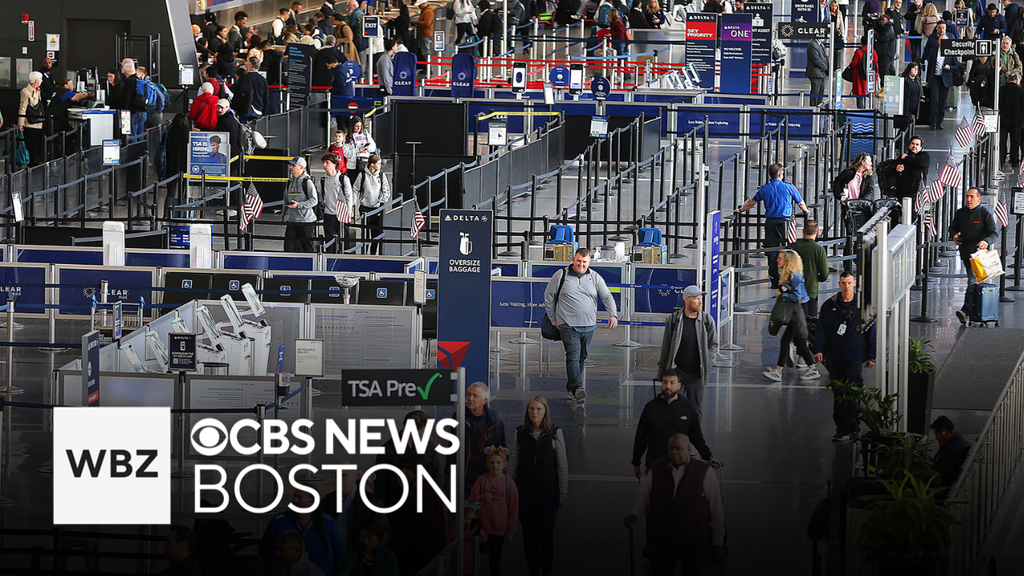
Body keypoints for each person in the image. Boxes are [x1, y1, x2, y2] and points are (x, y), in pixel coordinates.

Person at [623, 434, 727, 573]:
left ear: (689, 450)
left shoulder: (704, 472)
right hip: (663, 539)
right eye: (671, 448)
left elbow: (716, 509)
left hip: (694, 541)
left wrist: (718, 543)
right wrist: (634, 514)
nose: (674, 452)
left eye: (679, 448)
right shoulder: (657, 469)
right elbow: (645, 497)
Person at [544, 248, 619, 404]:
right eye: (579, 261)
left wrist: (613, 314)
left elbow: (606, 296)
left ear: (589, 262)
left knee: (582, 358)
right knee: (573, 356)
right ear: (573, 259)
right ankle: (577, 388)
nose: (581, 264)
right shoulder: (561, 275)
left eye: (584, 262)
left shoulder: (595, 277)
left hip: (589, 325)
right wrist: (553, 318)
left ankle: (572, 389)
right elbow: (549, 297)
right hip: (567, 324)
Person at [812, 272, 877, 442]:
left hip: (855, 354)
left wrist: (871, 356)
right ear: (839, 284)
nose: (846, 286)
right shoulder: (829, 305)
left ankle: (854, 428)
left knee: (854, 393)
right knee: (838, 393)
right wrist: (818, 349)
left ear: (854, 283)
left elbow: (872, 332)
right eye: (843, 283)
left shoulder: (863, 306)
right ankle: (841, 429)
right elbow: (821, 330)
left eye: (849, 283)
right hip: (835, 355)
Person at [508, 396, 568, 576]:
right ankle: (533, 569)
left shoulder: (555, 433)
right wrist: (508, 488)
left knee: (545, 530)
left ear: (545, 412)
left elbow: (562, 463)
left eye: (539, 409)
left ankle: (547, 569)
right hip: (524, 489)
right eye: (532, 409)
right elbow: (513, 462)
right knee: (529, 532)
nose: (535, 412)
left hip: (548, 490)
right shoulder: (519, 433)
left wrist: (563, 490)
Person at [631, 369, 721, 478]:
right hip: (655, 465)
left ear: (679, 386)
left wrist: (709, 457)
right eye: (665, 382)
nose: (668, 386)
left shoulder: (687, 408)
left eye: (672, 383)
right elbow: (641, 437)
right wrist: (636, 462)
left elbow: (696, 436)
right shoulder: (651, 408)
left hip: (681, 465)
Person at [734, 163, 811, 289]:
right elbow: (801, 203)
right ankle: (789, 280)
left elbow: (752, 202)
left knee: (772, 252)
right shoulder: (789, 187)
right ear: (781, 174)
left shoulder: (764, 189)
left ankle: (774, 280)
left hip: (770, 223)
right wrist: (806, 211)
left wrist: (741, 210)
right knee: (790, 250)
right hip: (786, 223)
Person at [763, 249, 823, 382]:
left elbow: (796, 296)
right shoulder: (789, 274)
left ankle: (780, 371)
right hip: (797, 310)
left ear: (788, 261)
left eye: (780, 258)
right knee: (798, 342)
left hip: (799, 310)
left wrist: (781, 295)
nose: (777, 260)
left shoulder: (794, 276)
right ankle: (811, 368)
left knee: (789, 341)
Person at [656, 286, 718, 412]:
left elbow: (713, 345)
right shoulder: (674, 320)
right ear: (687, 300)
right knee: (675, 407)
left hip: (696, 374)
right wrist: (662, 371)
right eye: (696, 299)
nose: (700, 302)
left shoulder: (707, 320)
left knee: (695, 409)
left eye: (701, 299)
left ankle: (693, 431)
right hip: (678, 372)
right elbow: (666, 347)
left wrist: (707, 359)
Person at [256, 488, 344, 576]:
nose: (295, 501)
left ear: (313, 503)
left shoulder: (328, 522)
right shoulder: (279, 521)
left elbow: (340, 558)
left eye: (300, 498)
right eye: (294, 497)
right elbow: (263, 556)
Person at [389, 454, 448, 576]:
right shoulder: (413, 485)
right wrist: (400, 487)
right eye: (402, 467)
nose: (403, 471)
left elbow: (418, 523)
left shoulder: (427, 491)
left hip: (424, 550)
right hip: (414, 547)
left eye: (408, 468)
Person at [375, 410, 447, 505]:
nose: (426, 436)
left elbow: (438, 474)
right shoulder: (388, 450)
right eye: (422, 432)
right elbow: (380, 484)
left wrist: (431, 496)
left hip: (424, 502)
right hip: (396, 505)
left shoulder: (428, 446)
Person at [950, 188, 999, 324]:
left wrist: (986, 242)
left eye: (972, 197)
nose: (968, 199)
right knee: (974, 281)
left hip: (978, 256)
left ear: (979, 199)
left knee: (972, 280)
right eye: (967, 196)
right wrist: (954, 235)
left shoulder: (985, 214)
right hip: (965, 253)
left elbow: (994, 233)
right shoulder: (961, 213)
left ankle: (965, 311)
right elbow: (953, 228)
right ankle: (974, 310)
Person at [318, 461, 392, 550]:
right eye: (336, 475)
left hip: (360, 557)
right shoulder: (328, 501)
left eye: (343, 475)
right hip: (333, 556)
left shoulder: (372, 501)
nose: (338, 479)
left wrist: (371, 553)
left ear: (355, 477)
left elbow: (385, 531)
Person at [469, 446, 519, 576]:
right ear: (487, 464)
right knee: (475, 559)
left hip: (499, 529)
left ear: (504, 464)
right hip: (480, 528)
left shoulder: (509, 484)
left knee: (495, 560)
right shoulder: (481, 480)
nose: (495, 465)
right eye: (492, 462)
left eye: (498, 462)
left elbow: (513, 510)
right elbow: (470, 501)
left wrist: (510, 532)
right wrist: (481, 498)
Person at [456, 382, 507, 493]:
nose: (470, 398)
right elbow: (451, 450)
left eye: (475, 396)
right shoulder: (458, 416)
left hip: (486, 479)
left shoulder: (496, 420)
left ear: (484, 400)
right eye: (469, 395)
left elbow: (502, 451)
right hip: (461, 478)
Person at [789, 220, 830, 325]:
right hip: (810, 290)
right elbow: (825, 274)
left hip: (793, 290)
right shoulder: (819, 250)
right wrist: (818, 279)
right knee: (810, 322)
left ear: (803, 231)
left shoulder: (793, 247)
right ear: (817, 232)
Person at [353, 154, 391, 255]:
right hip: (364, 207)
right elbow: (355, 189)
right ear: (372, 164)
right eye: (378, 164)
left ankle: (373, 254)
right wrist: (354, 200)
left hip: (376, 208)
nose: (380, 166)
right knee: (365, 234)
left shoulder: (381, 175)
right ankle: (364, 253)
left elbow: (386, 191)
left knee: (375, 233)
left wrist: (381, 202)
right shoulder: (362, 175)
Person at [282, 157, 320, 253]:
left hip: (306, 221)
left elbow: (314, 201)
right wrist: (283, 216)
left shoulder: (307, 182)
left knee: (308, 248)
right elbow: (286, 200)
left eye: (293, 165)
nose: (291, 167)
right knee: (288, 247)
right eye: (290, 165)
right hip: (292, 220)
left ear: (301, 168)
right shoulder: (289, 182)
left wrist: (299, 205)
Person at [319, 153, 353, 253]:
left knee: (345, 241)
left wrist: (348, 214)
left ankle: (345, 261)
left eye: (327, 162)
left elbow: (349, 197)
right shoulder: (323, 180)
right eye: (324, 163)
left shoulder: (343, 179)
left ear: (334, 164)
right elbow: (320, 196)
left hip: (341, 214)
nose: (325, 165)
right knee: (329, 242)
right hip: (328, 214)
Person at [930, 415, 971, 488]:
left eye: (937, 434)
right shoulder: (955, 443)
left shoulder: (955, 449)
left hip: (943, 487)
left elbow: (942, 473)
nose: (936, 438)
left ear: (944, 432)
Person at [164, 113, 191, 215]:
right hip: (185, 167)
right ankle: (181, 214)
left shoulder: (168, 133)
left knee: (170, 193)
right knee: (183, 193)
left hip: (170, 166)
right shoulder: (188, 135)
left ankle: (166, 215)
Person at [18, 72, 45, 167]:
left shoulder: (38, 90)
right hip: (29, 122)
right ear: (36, 80)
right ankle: (31, 162)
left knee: (37, 141)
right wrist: (20, 123)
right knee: (31, 143)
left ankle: (35, 160)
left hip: (38, 121)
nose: (42, 81)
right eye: (41, 79)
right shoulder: (25, 92)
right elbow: (22, 108)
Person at [233, 57, 270, 122]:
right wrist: (264, 112)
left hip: (244, 108)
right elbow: (266, 98)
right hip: (258, 109)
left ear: (250, 65)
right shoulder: (263, 80)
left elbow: (237, 93)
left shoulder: (244, 78)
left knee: (243, 129)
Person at [1000, 72, 1024, 171]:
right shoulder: (1021, 91)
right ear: (1017, 80)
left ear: (1008, 80)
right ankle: (1014, 160)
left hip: (1003, 120)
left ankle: (1002, 158)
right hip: (1016, 121)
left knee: (1003, 141)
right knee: (1015, 141)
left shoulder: (1001, 90)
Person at [849, 35, 879, 107]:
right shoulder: (873, 52)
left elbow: (853, 64)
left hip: (859, 78)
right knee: (869, 96)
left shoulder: (858, 52)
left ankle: (860, 112)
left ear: (861, 42)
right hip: (870, 78)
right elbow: (876, 65)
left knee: (860, 97)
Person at [806, 36, 829, 106]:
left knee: (820, 93)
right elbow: (816, 59)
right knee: (815, 93)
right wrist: (826, 68)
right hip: (815, 73)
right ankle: (813, 109)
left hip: (822, 73)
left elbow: (824, 57)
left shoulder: (821, 44)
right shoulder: (812, 45)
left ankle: (819, 108)